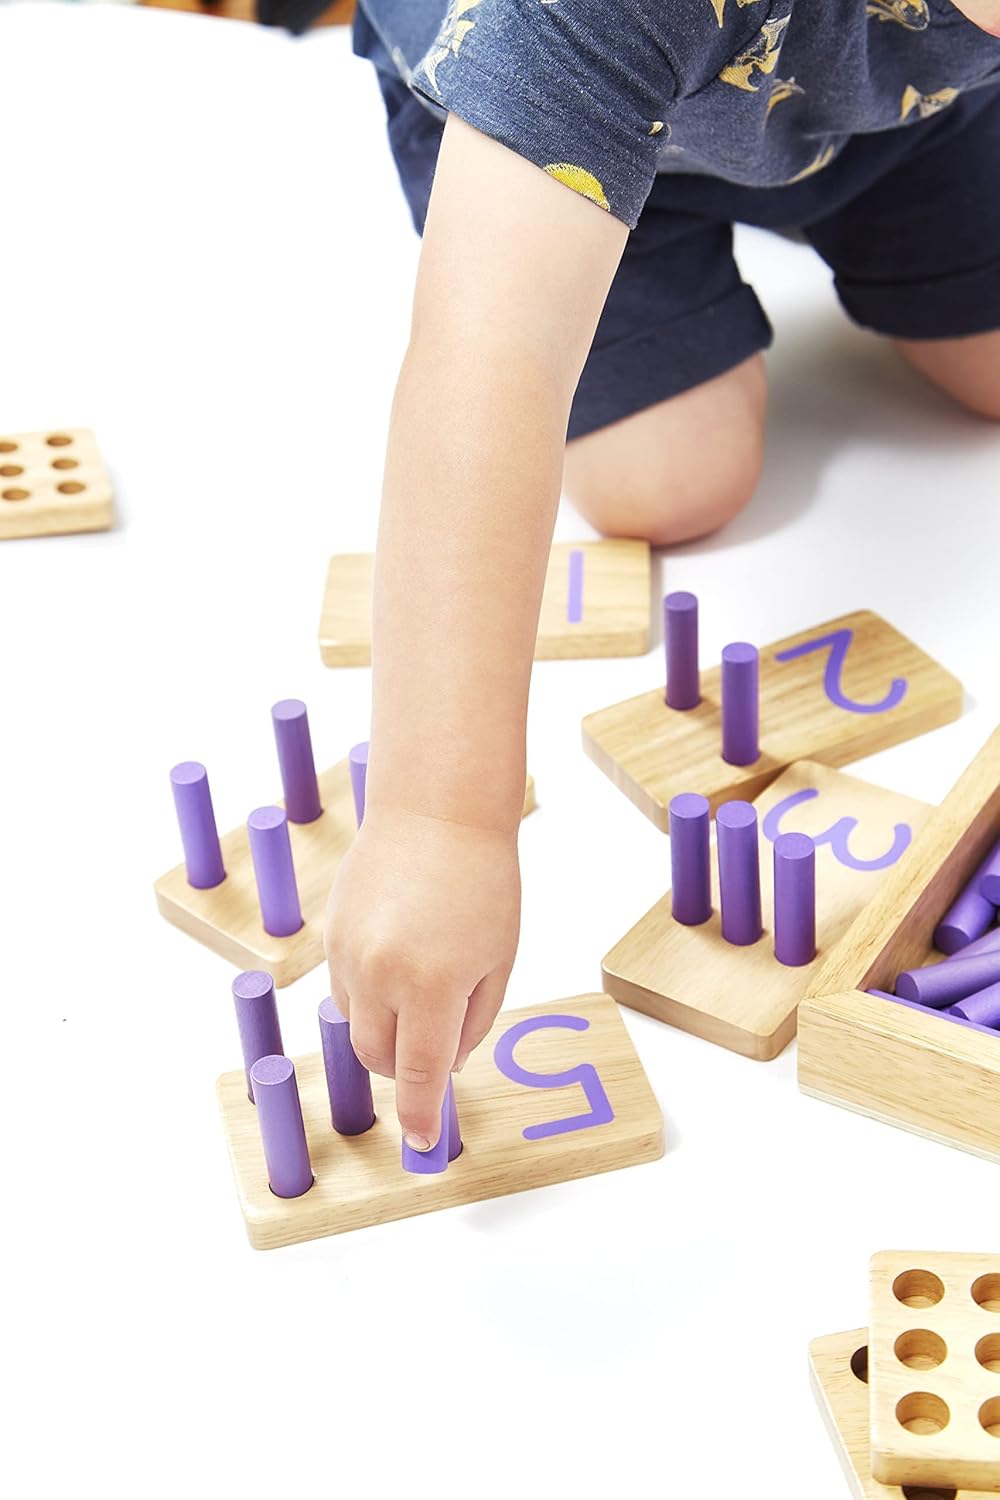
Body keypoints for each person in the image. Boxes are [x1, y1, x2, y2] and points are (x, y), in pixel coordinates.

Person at [325, 0, 1000, 1152]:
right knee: (673, 478)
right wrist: (443, 819)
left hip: (891, 117)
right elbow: (491, 361)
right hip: (544, 129)